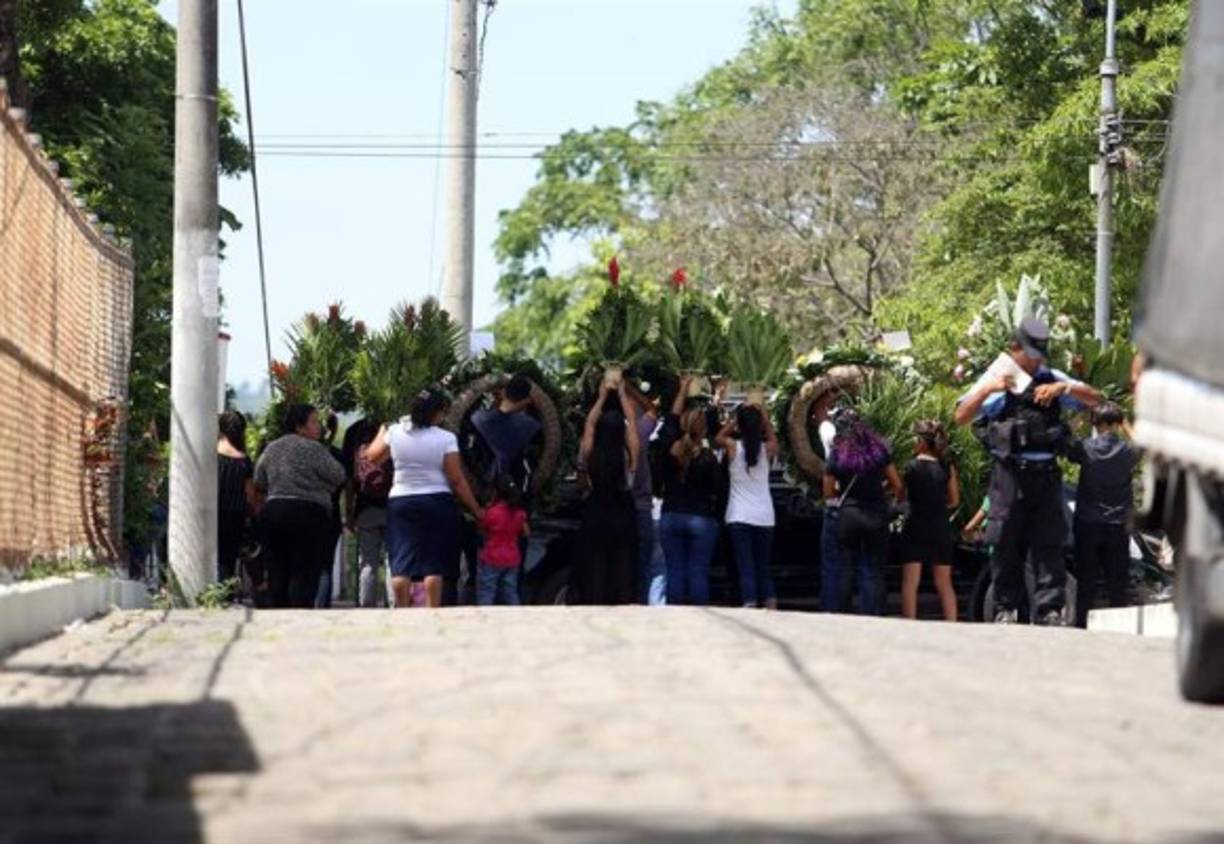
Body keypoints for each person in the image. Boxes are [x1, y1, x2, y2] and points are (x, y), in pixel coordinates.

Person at [954, 316, 1101, 625]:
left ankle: (1050, 609)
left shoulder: (1052, 377)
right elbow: (961, 416)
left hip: (1046, 474)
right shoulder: (999, 377)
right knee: (1005, 541)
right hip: (1010, 474)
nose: (1036, 363)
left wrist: (1064, 387)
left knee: (1049, 543)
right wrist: (987, 391)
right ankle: (1006, 608)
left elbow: (1096, 400)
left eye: (1040, 356)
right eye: (1031, 355)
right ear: (1014, 348)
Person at [364, 388, 485, 609]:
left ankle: (401, 609)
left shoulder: (395, 431)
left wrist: (383, 430)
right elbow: (456, 479)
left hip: (401, 500)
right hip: (437, 501)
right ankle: (432, 611)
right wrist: (476, 508)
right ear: (437, 413)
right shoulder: (446, 438)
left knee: (401, 561)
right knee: (433, 563)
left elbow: (372, 457)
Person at [254, 404, 347, 608]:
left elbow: (259, 480)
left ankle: (277, 614)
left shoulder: (272, 447)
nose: (319, 427)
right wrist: (323, 487)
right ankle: (300, 616)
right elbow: (339, 475)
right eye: (314, 422)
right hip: (309, 516)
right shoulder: (315, 448)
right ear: (299, 427)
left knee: (277, 572)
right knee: (305, 572)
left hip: (275, 513)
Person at [822, 409, 903, 615]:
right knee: (875, 572)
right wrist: (880, 490)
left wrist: (841, 493)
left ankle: (843, 614)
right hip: (876, 514)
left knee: (845, 569)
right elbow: (897, 484)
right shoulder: (878, 451)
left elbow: (827, 490)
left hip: (848, 513)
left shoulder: (838, 452)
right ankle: (875, 614)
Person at [1067, 402, 1138, 628]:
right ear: (1116, 424)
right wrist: (1125, 421)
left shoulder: (1086, 448)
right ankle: (1117, 630)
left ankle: (1081, 627)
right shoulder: (1126, 451)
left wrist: (1079, 416)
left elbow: (1065, 441)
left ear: (1095, 424)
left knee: (1086, 581)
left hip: (1088, 522)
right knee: (1117, 582)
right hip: (1118, 524)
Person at [656, 375, 723, 606]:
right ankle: (699, 620)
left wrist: (683, 389)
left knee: (674, 570)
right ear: (702, 430)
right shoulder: (707, 458)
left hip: (671, 514)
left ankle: (674, 616)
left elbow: (671, 420)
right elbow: (718, 486)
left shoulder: (669, 449)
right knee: (698, 572)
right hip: (701, 518)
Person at [572, 382, 641, 605]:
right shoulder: (627, 456)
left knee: (595, 563)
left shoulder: (590, 453)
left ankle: (593, 600)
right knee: (622, 563)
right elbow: (632, 426)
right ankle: (621, 601)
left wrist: (601, 398)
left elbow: (589, 425)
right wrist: (622, 395)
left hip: (596, 512)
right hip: (622, 514)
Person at [718, 403, 781, 609]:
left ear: (740, 427)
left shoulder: (733, 447)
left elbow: (718, 437)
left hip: (739, 515)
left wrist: (736, 421)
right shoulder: (767, 450)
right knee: (763, 565)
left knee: (745, 566)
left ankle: (750, 603)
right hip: (764, 515)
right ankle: (770, 602)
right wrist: (764, 420)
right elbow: (774, 440)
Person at [899, 420, 961, 621]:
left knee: (911, 581)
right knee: (944, 582)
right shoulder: (946, 466)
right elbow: (954, 500)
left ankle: (910, 623)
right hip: (940, 526)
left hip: (915, 524)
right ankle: (952, 623)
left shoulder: (910, 467)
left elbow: (901, 496)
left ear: (920, 442)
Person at [343, 418, 392, 608]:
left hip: (365, 506)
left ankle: (366, 608)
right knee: (393, 561)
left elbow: (349, 478)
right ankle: (394, 607)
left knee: (368, 563)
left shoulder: (353, 431)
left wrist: (349, 513)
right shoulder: (394, 429)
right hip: (393, 506)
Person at [625, 381, 664, 604]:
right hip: (640, 507)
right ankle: (639, 602)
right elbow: (651, 410)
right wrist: (630, 390)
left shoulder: (613, 431)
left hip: (620, 506)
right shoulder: (640, 432)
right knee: (644, 561)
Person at [470, 374, 542, 491]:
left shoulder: (478, 418)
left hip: (483, 485)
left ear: (504, 393)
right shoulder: (530, 426)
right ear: (526, 400)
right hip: (516, 489)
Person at [217, 410, 258, 585]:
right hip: (235, 514)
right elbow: (250, 495)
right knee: (229, 557)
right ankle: (225, 591)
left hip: (212, 512)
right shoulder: (244, 461)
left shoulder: (212, 455)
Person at [477, 475, 530, 605]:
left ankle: (484, 618)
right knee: (510, 592)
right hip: (512, 559)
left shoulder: (492, 513)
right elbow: (527, 532)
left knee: (487, 591)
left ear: (496, 492)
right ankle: (516, 617)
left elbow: (482, 530)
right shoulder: (519, 513)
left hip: (492, 558)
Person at [316, 413, 346, 609]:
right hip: (331, 512)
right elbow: (343, 483)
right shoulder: (337, 455)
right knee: (326, 565)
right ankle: (322, 607)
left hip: (310, 511)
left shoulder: (309, 452)